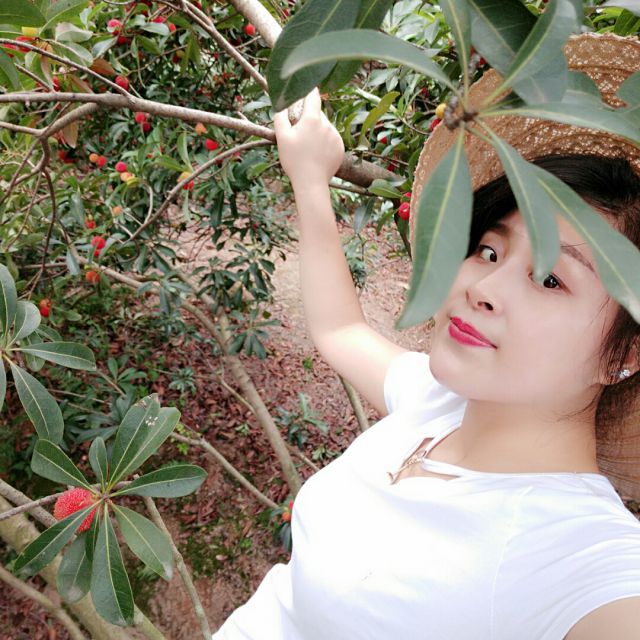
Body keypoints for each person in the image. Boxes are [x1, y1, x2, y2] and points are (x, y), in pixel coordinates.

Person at [212, 32, 640, 639]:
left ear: (626, 353)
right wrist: (310, 175)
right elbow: (341, 330)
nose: (483, 286)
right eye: (489, 249)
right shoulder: (443, 407)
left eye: (550, 278)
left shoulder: (578, 558)